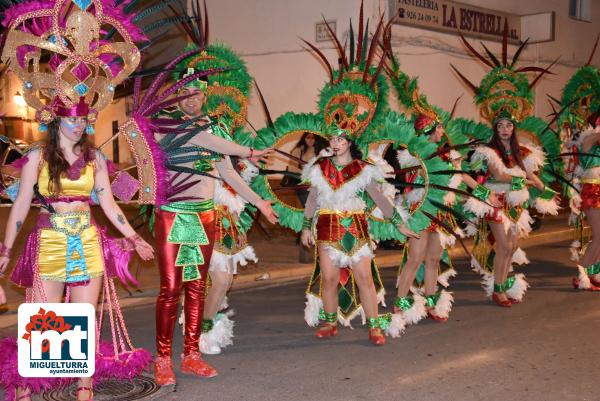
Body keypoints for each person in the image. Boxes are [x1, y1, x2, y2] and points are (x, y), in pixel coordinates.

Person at [152, 74, 278, 384]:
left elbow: (229, 175)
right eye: (185, 92)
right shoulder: (167, 125)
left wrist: (260, 202)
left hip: (203, 217)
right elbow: (204, 141)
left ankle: (192, 355)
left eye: (198, 92)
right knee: (171, 289)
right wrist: (247, 152)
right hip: (174, 216)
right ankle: (163, 358)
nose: (192, 97)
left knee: (197, 287)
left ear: (205, 96)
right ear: (176, 96)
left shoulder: (213, 128)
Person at [301, 126, 416, 346]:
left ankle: (374, 326)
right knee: (329, 279)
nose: (335, 143)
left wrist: (398, 223)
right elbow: (312, 199)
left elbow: (379, 198)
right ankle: (330, 323)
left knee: (364, 278)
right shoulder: (320, 167)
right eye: (332, 139)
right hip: (327, 225)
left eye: (340, 139)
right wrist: (306, 227)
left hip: (355, 227)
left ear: (350, 143)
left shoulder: (363, 169)